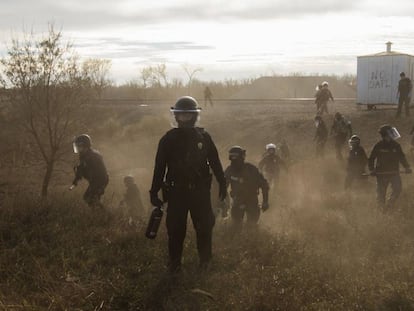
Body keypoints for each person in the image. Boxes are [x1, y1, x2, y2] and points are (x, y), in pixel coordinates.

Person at [149, 96, 227, 272]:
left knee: (204, 228)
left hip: (200, 193)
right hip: (176, 193)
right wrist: (153, 191)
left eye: (188, 115)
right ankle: (174, 264)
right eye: (181, 115)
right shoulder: (168, 139)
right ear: (176, 116)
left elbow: (215, 163)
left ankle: (205, 262)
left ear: (194, 116)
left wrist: (222, 184)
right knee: (175, 231)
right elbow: (159, 167)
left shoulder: (205, 137)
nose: (184, 118)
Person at [368, 125, 412, 211]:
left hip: (394, 172)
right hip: (381, 174)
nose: (393, 134)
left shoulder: (396, 145)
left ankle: (389, 205)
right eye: (391, 132)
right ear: (385, 134)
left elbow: (401, 158)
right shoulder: (378, 145)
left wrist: (407, 167)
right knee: (381, 194)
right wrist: (372, 169)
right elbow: (371, 158)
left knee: (397, 189)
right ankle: (381, 211)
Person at [224, 146, 269, 229]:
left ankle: (250, 239)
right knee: (237, 226)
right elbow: (223, 187)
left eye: (235, 157)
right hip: (238, 200)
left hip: (251, 201)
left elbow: (264, 185)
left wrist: (265, 201)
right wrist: (222, 202)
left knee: (251, 226)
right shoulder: (230, 170)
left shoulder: (251, 169)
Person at [70, 134, 109, 208]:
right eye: (77, 146)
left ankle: (105, 216)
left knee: (91, 198)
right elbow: (82, 168)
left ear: (85, 145)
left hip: (100, 180)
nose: (77, 148)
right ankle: (99, 215)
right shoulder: (83, 155)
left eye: (79, 146)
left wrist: (84, 169)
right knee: (88, 198)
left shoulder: (94, 156)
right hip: (95, 181)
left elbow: (97, 171)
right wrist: (77, 178)